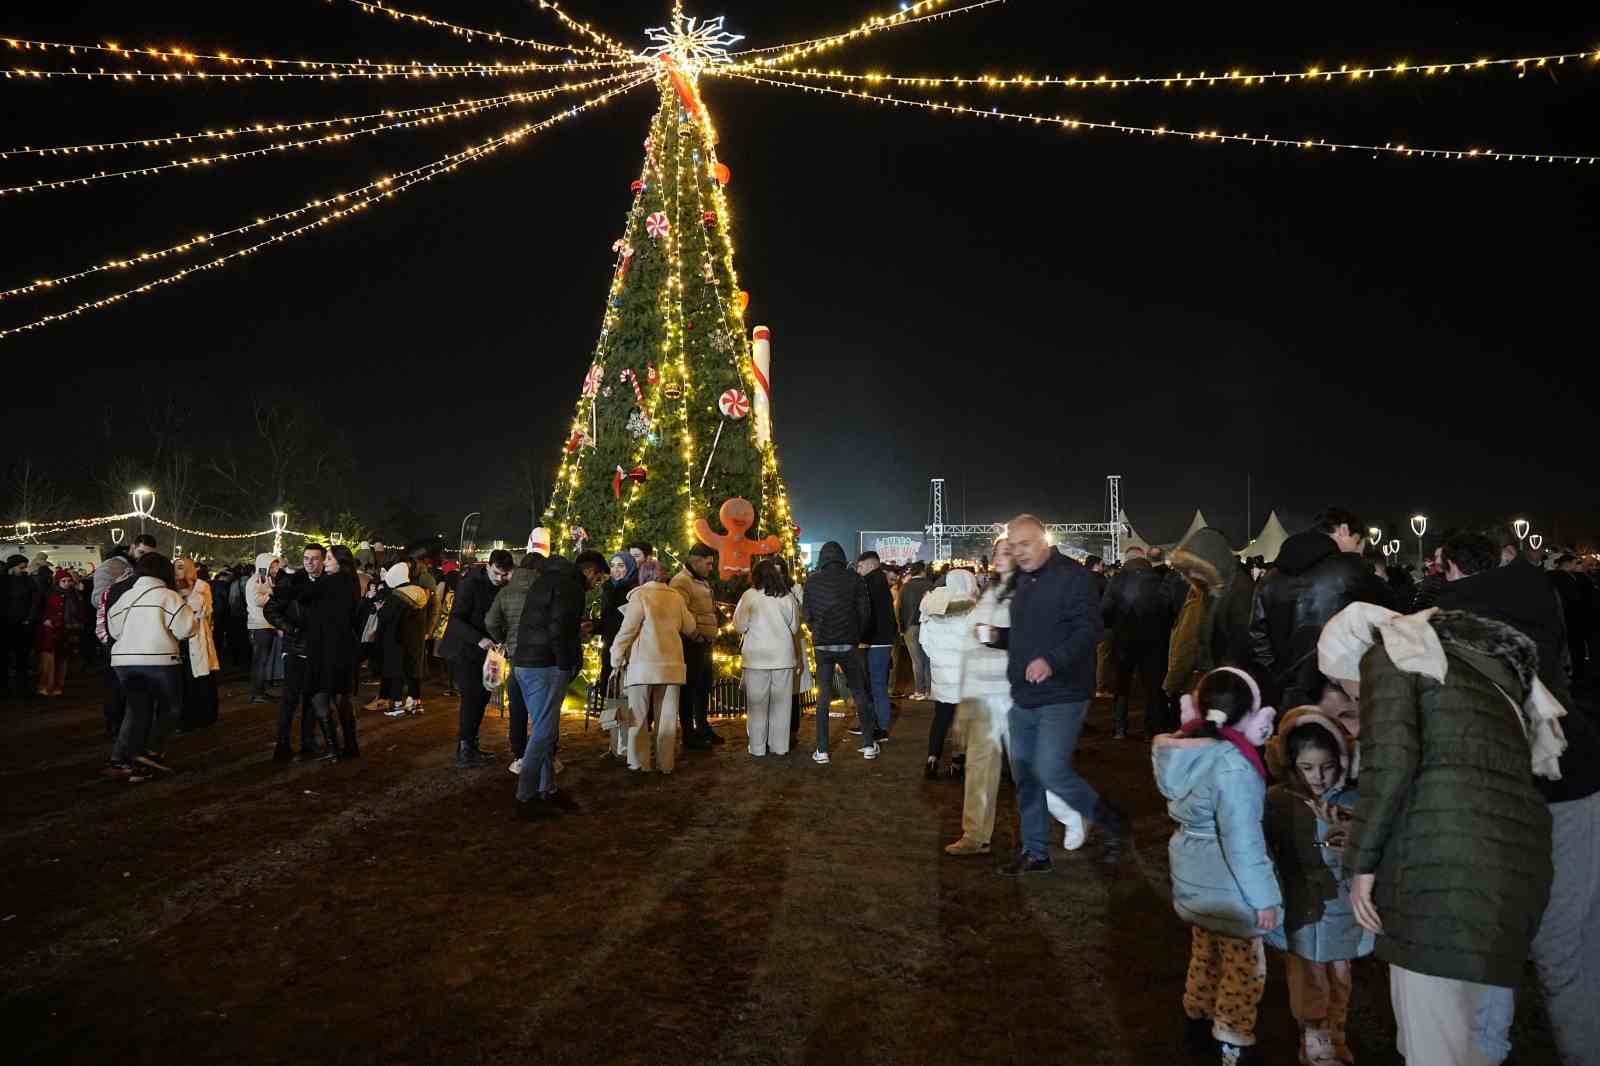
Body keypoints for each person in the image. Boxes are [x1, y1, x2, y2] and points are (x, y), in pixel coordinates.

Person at [1318, 601, 1556, 1066]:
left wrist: (1362, 865)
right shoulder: (1477, 672)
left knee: (1432, 1039)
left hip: (1438, 870)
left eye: (1341, 682)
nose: (1348, 695)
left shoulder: (1389, 653)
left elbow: (1390, 764)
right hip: (1515, 868)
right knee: (1482, 1032)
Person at [1433, 529, 1600, 1066]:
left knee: (1494, 940)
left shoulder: (1445, 622)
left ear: (1447, 566)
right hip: (1576, 778)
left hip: (1502, 790)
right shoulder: (1541, 597)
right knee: (1571, 943)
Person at [1153, 667, 1281, 1066]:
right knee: (1243, 967)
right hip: (1231, 888)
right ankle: (1232, 1042)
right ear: (1251, 717)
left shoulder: (1189, 753)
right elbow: (1243, 843)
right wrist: (1264, 899)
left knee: (1205, 953)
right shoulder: (1233, 766)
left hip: (1195, 873)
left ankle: (1197, 1021)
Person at [999, 515, 1126, 872]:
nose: (1018, 552)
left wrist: (1051, 662)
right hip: (1024, 695)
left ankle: (1108, 819)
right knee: (1024, 774)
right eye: (1014, 545)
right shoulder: (1022, 581)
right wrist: (997, 637)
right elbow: (1028, 636)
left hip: (1064, 692)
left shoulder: (1074, 578)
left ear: (1044, 540)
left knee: (1050, 770)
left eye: (1025, 544)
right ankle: (1036, 852)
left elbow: (1089, 632)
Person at [1263, 708, 1373, 1066]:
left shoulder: (1355, 803)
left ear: (1341, 760)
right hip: (1303, 907)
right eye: (1308, 768)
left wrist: (1352, 839)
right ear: (1291, 763)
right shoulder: (1280, 801)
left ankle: (1335, 1030)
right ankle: (1314, 1034)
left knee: (1340, 974)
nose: (1319, 777)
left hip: (1343, 909)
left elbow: (1374, 848)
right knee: (1308, 973)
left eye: (1326, 767)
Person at [1248, 508, 1391, 708]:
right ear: (1343, 530)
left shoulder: (1269, 579)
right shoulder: (1351, 571)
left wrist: (1279, 681)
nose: (1360, 552)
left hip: (1286, 698)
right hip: (1341, 696)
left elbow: (1258, 640)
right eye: (1358, 542)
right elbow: (1390, 620)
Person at [511, 549, 606, 817]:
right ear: (588, 571)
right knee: (543, 732)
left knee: (545, 728)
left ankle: (547, 788)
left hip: (526, 661)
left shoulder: (547, 579)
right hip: (545, 665)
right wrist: (566, 664)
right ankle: (526, 797)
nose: (595, 584)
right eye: (597, 578)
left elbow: (550, 623)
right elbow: (557, 629)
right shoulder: (570, 587)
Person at [104, 553, 197, 779]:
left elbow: (114, 630)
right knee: (170, 707)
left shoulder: (125, 596)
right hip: (160, 659)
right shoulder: (169, 596)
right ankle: (151, 752)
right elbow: (187, 629)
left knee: (136, 711)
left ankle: (121, 759)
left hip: (124, 662)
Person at [611, 558, 698, 771]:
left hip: (643, 665)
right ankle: (665, 763)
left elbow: (628, 630)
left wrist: (616, 655)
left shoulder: (640, 595)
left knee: (638, 718)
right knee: (667, 719)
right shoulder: (676, 597)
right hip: (672, 665)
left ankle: (639, 763)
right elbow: (689, 626)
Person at [438, 549, 516, 769]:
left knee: (480, 698)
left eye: (504, 575)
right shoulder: (470, 584)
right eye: (497, 573)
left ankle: (470, 746)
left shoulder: (502, 586)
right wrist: (479, 639)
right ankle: (466, 750)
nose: (500, 579)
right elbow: (456, 619)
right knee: (472, 699)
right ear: (489, 566)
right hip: (464, 650)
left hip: (484, 652)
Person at [802, 541, 872, 763]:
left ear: (822, 558)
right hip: (848, 644)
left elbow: (807, 614)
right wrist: (856, 634)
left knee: (823, 696)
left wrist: (818, 631)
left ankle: (822, 750)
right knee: (859, 691)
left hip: (823, 645)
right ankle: (869, 744)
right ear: (841, 557)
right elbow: (865, 612)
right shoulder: (855, 579)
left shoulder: (812, 581)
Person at [485, 549, 547, 774]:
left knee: (517, 708)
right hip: (542, 657)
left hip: (517, 657)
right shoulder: (544, 591)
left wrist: (503, 638)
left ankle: (520, 755)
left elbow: (490, 621)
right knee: (543, 711)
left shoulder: (506, 593)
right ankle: (545, 757)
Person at [1102, 552, 1176, 738]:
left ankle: (1119, 728)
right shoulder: (1159, 581)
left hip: (1123, 639)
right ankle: (1150, 729)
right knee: (1152, 685)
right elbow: (1169, 609)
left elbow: (1104, 610)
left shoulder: (1117, 581)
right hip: (1154, 641)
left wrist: (1115, 625)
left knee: (1122, 684)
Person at [733, 559, 800, 757]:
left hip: (756, 659)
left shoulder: (749, 596)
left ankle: (757, 747)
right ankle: (780, 746)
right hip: (783, 657)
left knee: (757, 706)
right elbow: (795, 627)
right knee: (782, 705)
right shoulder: (787, 597)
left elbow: (739, 625)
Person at [917, 567, 979, 778]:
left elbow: (924, 642)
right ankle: (957, 763)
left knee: (941, 717)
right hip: (965, 674)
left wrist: (938, 658)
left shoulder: (932, 607)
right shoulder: (973, 609)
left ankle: (932, 758)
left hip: (942, 674)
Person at [671, 543, 722, 749]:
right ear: (696, 561)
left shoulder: (700, 581)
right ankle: (689, 734)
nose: (711, 568)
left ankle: (702, 728)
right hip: (692, 644)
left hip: (704, 643)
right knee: (690, 688)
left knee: (703, 687)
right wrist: (697, 635)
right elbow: (681, 613)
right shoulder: (681, 582)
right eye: (708, 564)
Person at [598, 550, 639, 761]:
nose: (616, 569)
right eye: (613, 565)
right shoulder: (607, 589)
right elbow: (607, 621)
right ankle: (614, 745)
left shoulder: (634, 591)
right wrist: (594, 626)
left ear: (630, 567)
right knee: (611, 698)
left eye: (621, 565)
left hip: (626, 651)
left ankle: (626, 745)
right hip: (609, 650)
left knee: (625, 699)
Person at [325, 544, 365, 757]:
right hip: (346, 645)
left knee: (334, 697)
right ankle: (349, 744)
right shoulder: (351, 582)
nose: (325, 562)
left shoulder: (337, 583)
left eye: (329, 558)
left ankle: (339, 745)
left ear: (340, 562)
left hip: (337, 647)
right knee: (342, 697)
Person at [853, 551, 898, 743]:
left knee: (876, 685)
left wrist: (861, 635)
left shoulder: (870, 584)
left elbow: (866, 614)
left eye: (860, 567)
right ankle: (871, 724)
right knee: (874, 684)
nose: (858, 571)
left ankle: (880, 727)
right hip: (881, 639)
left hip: (876, 641)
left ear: (871, 565)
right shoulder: (879, 582)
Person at [172, 557, 219, 733]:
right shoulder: (169, 588)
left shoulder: (201, 587)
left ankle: (203, 718)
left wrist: (188, 593)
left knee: (200, 680)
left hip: (197, 639)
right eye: (176, 567)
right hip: (178, 641)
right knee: (182, 682)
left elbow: (204, 610)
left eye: (182, 567)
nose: (178, 570)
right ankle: (183, 719)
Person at [34, 568, 83, 696]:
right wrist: (45, 619)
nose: (67, 583)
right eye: (64, 581)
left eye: (69, 581)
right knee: (48, 659)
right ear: (58, 582)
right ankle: (45, 686)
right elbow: (40, 610)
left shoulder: (74, 595)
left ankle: (57, 686)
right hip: (51, 630)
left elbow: (79, 612)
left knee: (62, 659)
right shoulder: (50, 594)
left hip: (67, 630)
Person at [3, 553, 41, 695]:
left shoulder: (28, 580)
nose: (24, 569)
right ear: (12, 567)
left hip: (23, 625)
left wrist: (29, 618)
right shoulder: (4, 581)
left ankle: (23, 687)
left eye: (25, 567)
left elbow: (35, 601)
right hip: (6, 625)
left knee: (23, 658)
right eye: (21, 567)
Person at [245, 553, 280, 704]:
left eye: (276, 565)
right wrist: (272, 595)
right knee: (260, 661)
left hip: (265, 625)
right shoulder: (255, 581)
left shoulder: (265, 579)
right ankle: (257, 693)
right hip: (259, 626)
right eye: (272, 565)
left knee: (262, 661)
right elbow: (257, 600)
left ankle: (260, 691)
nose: (275, 568)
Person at [897, 561, 933, 700]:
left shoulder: (905, 587)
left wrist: (901, 627)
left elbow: (899, 608)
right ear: (923, 571)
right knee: (928, 659)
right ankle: (929, 690)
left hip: (910, 627)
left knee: (916, 661)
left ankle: (919, 690)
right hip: (928, 626)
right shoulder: (930, 586)